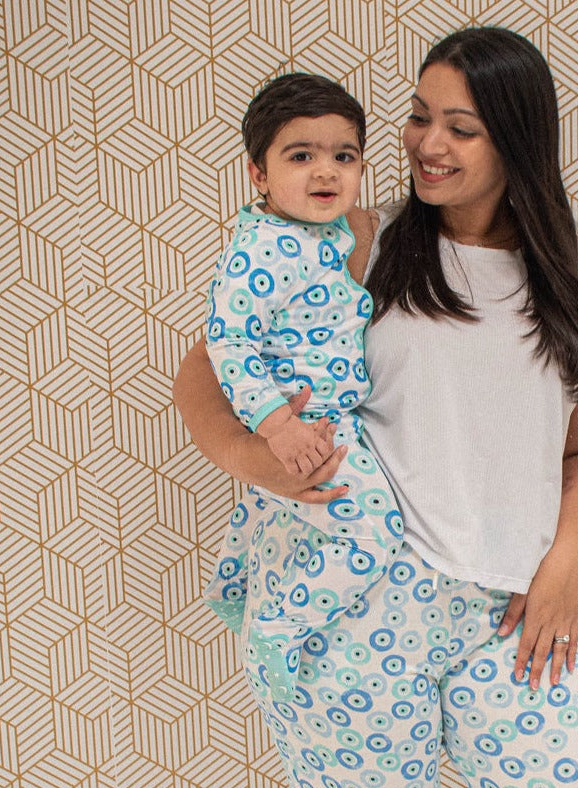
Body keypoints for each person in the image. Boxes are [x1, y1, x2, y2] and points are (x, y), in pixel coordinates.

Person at [175, 26, 578, 788]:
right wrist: (268, 466)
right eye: (416, 117)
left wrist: (563, 567)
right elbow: (204, 377)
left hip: (507, 617)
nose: (426, 145)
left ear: (516, 138)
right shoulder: (358, 243)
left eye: (460, 128)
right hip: (359, 615)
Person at [202, 72, 403, 696]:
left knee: (267, 502)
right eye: (300, 156)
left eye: (344, 156)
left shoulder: (326, 231)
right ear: (258, 174)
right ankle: (280, 623)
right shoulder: (263, 248)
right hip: (306, 422)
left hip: (328, 416)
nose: (326, 172)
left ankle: (231, 591)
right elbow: (228, 342)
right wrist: (278, 425)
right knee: (373, 530)